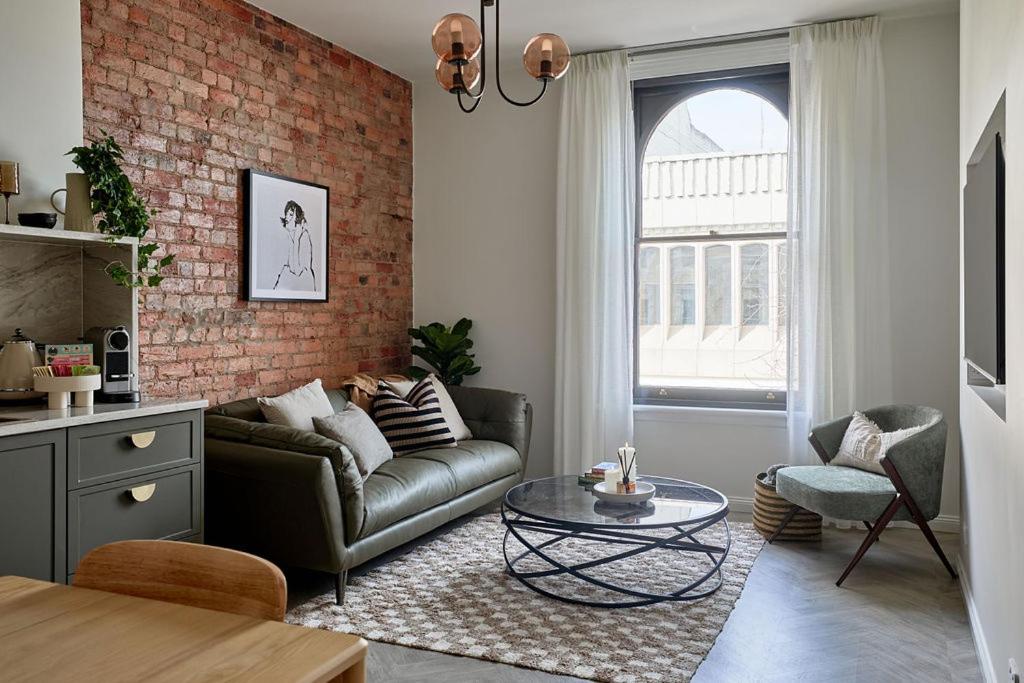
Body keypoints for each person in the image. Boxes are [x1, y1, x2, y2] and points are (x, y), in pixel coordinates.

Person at [273, 200, 316, 291]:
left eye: (291, 215)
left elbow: (297, 271)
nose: (287, 218)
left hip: (303, 282)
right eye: (287, 214)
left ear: (297, 219)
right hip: (292, 281)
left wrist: (297, 239)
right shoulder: (288, 235)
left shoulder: (303, 236)